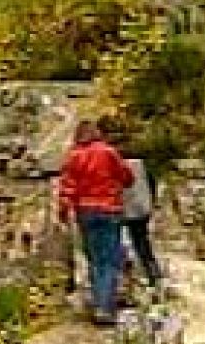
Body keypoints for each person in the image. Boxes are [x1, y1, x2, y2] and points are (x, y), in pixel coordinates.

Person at [57, 120, 134, 325]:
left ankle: (99, 303)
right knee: (110, 259)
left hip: (86, 212)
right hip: (110, 209)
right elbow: (127, 177)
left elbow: (67, 188)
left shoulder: (74, 157)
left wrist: (63, 212)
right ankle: (105, 307)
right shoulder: (108, 152)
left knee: (95, 259)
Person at [120, 156, 164, 292]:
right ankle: (153, 272)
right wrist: (152, 202)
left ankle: (127, 275)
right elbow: (152, 183)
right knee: (142, 241)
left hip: (124, 207)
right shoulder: (143, 163)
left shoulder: (115, 163)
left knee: (123, 241)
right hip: (142, 207)